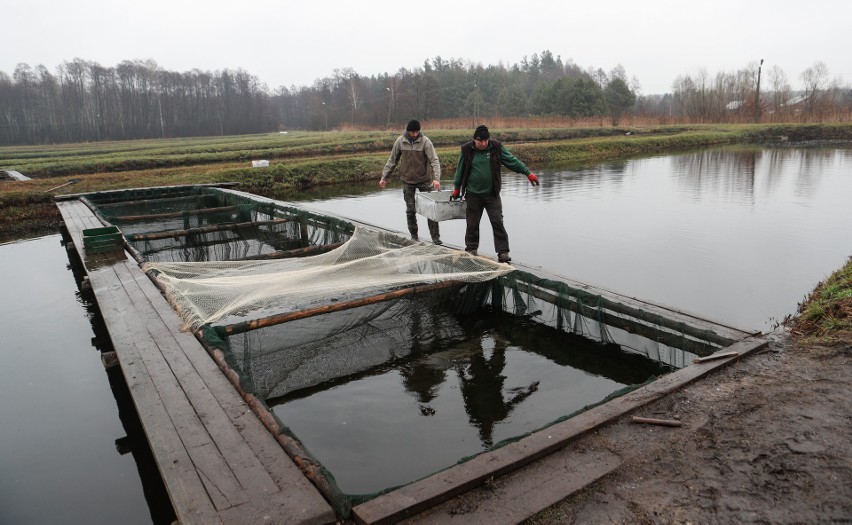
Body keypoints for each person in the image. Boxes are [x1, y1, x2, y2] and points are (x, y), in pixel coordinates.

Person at [451, 125, 539, 263]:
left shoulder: (496, 147)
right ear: (474, 140)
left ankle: (503, 252)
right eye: (480, 141)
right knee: (472, 223)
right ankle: (471, 249)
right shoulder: (466, 149)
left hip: (492, 194)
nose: (484, 143)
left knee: (497, 222)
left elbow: (512, 161)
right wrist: (456, 188)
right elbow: (460, 170)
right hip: (473, 194)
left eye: (486, 140)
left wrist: (528, 173)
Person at [379, 119, 442, 244]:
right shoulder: (400, 142)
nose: (414, 134)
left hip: (425, 181)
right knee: (410, 210)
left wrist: (436, 179)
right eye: (412, 132)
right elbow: (392, 161)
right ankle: (414, 236)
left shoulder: (425, 142)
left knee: (431, 211)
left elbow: (434, 161)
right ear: (408, 131)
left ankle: (436, 239)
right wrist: (384, 177)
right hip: (408, 181)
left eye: (417, 132)